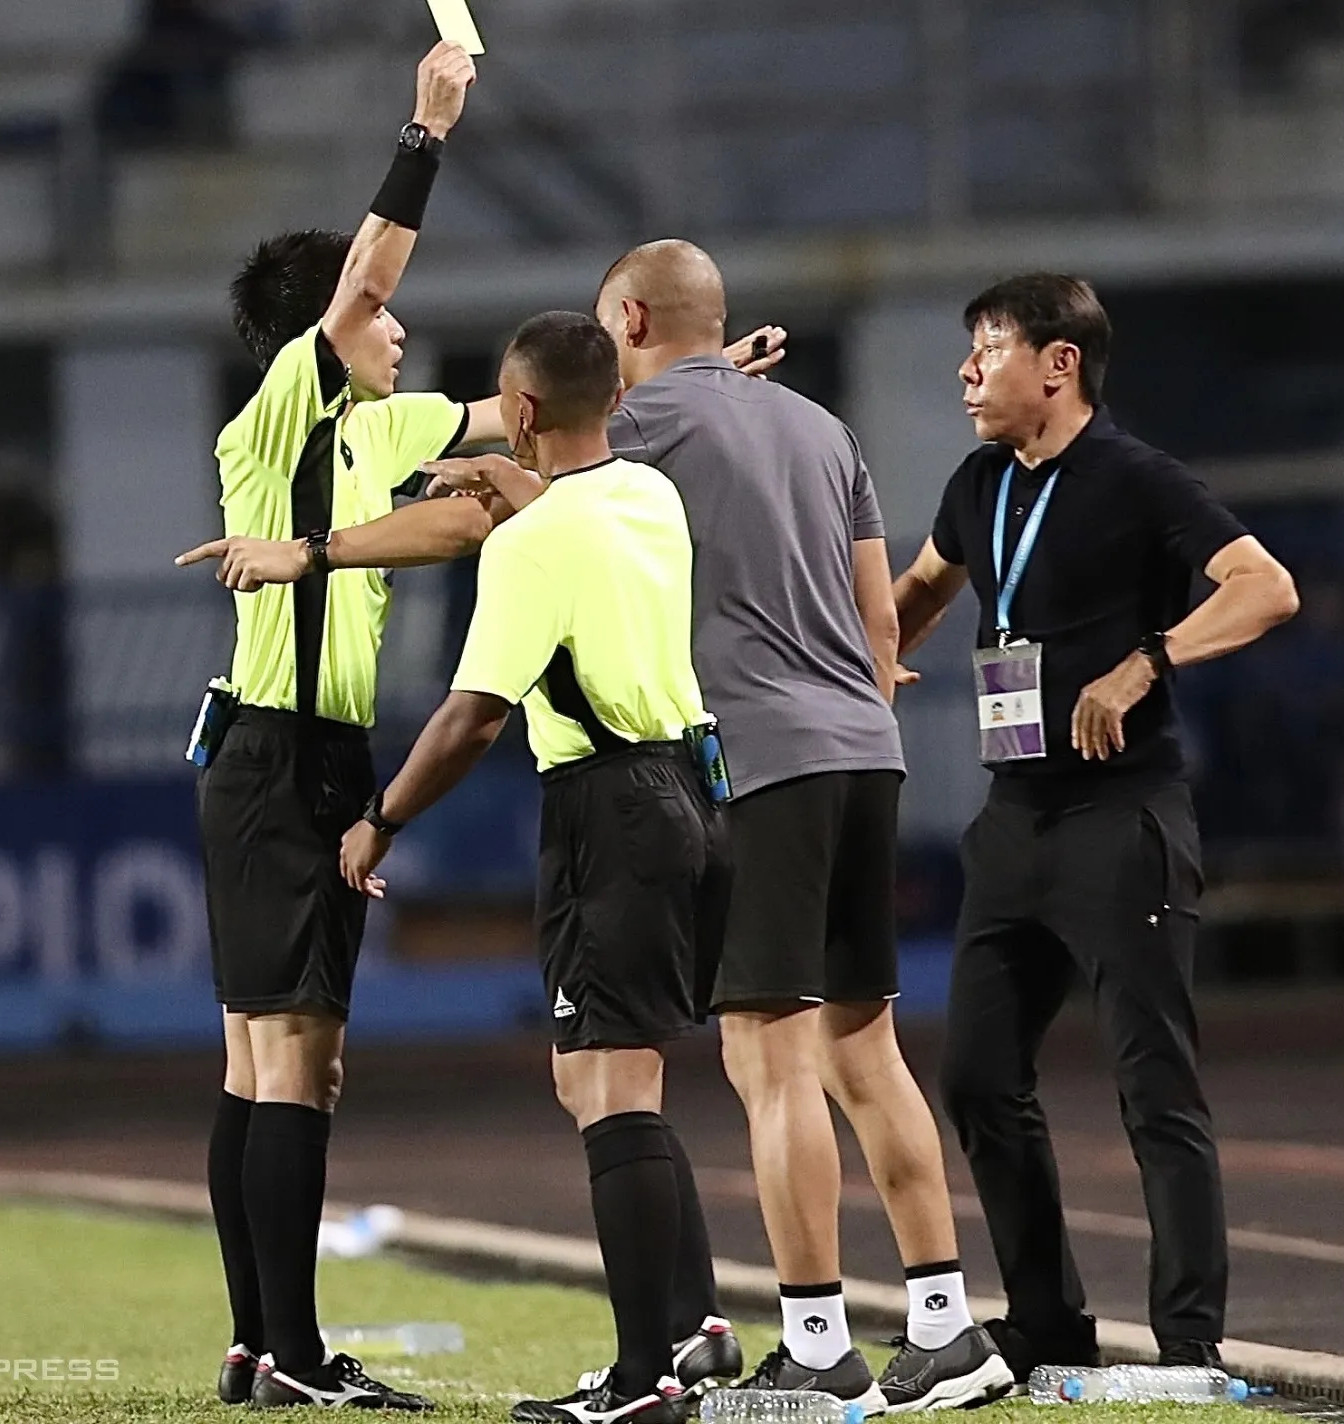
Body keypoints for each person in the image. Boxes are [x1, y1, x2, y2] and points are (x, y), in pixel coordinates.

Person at [592, 240, 1010, 1412]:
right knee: (864, 1050)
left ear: (628, 318)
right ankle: (944, 1324)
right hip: (862, 750)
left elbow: (543, 468)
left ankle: (819, 1344)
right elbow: (885, 624)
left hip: (759, 760)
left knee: (767, 1062)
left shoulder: (638, 428)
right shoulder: (824, 428)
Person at [891, 274, 1298, 1380]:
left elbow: (1266, 589)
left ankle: (1188, 1342)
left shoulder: (1137, 477)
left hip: (1122, 816)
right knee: (976, 1075)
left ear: (1057, 364)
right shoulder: (981, 481)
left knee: (1152, 1082)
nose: (968, 372)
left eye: (989, 348)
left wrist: (1147, 659)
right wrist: (869, 654)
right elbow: (924, 586)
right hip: (1015, 816)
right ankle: (1045, 1320)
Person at [335, 311, 730, 1424]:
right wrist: (510, 474)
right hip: (691, 794)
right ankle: (693, 1328)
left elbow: (470, 718)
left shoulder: (529, 545)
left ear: (519, 410)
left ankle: (645, 1375)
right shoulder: (649, 494)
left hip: (608, 810)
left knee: (613, 1086)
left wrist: (382, 818)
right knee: (604, 1077)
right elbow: (568, 501)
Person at [175, 41, 495, 1412]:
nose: (402, 329)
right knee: (289, 1051)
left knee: (267, 1053)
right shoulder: (277, 418)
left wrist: (697, 376)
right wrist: (423, 131)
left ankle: (259, 1348)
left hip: (304, 759)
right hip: (275, 755)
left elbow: (537, 417)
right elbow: (369, 278)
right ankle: (297, 1356)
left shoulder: (387, 419)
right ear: (325, 331)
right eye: (379, 319)